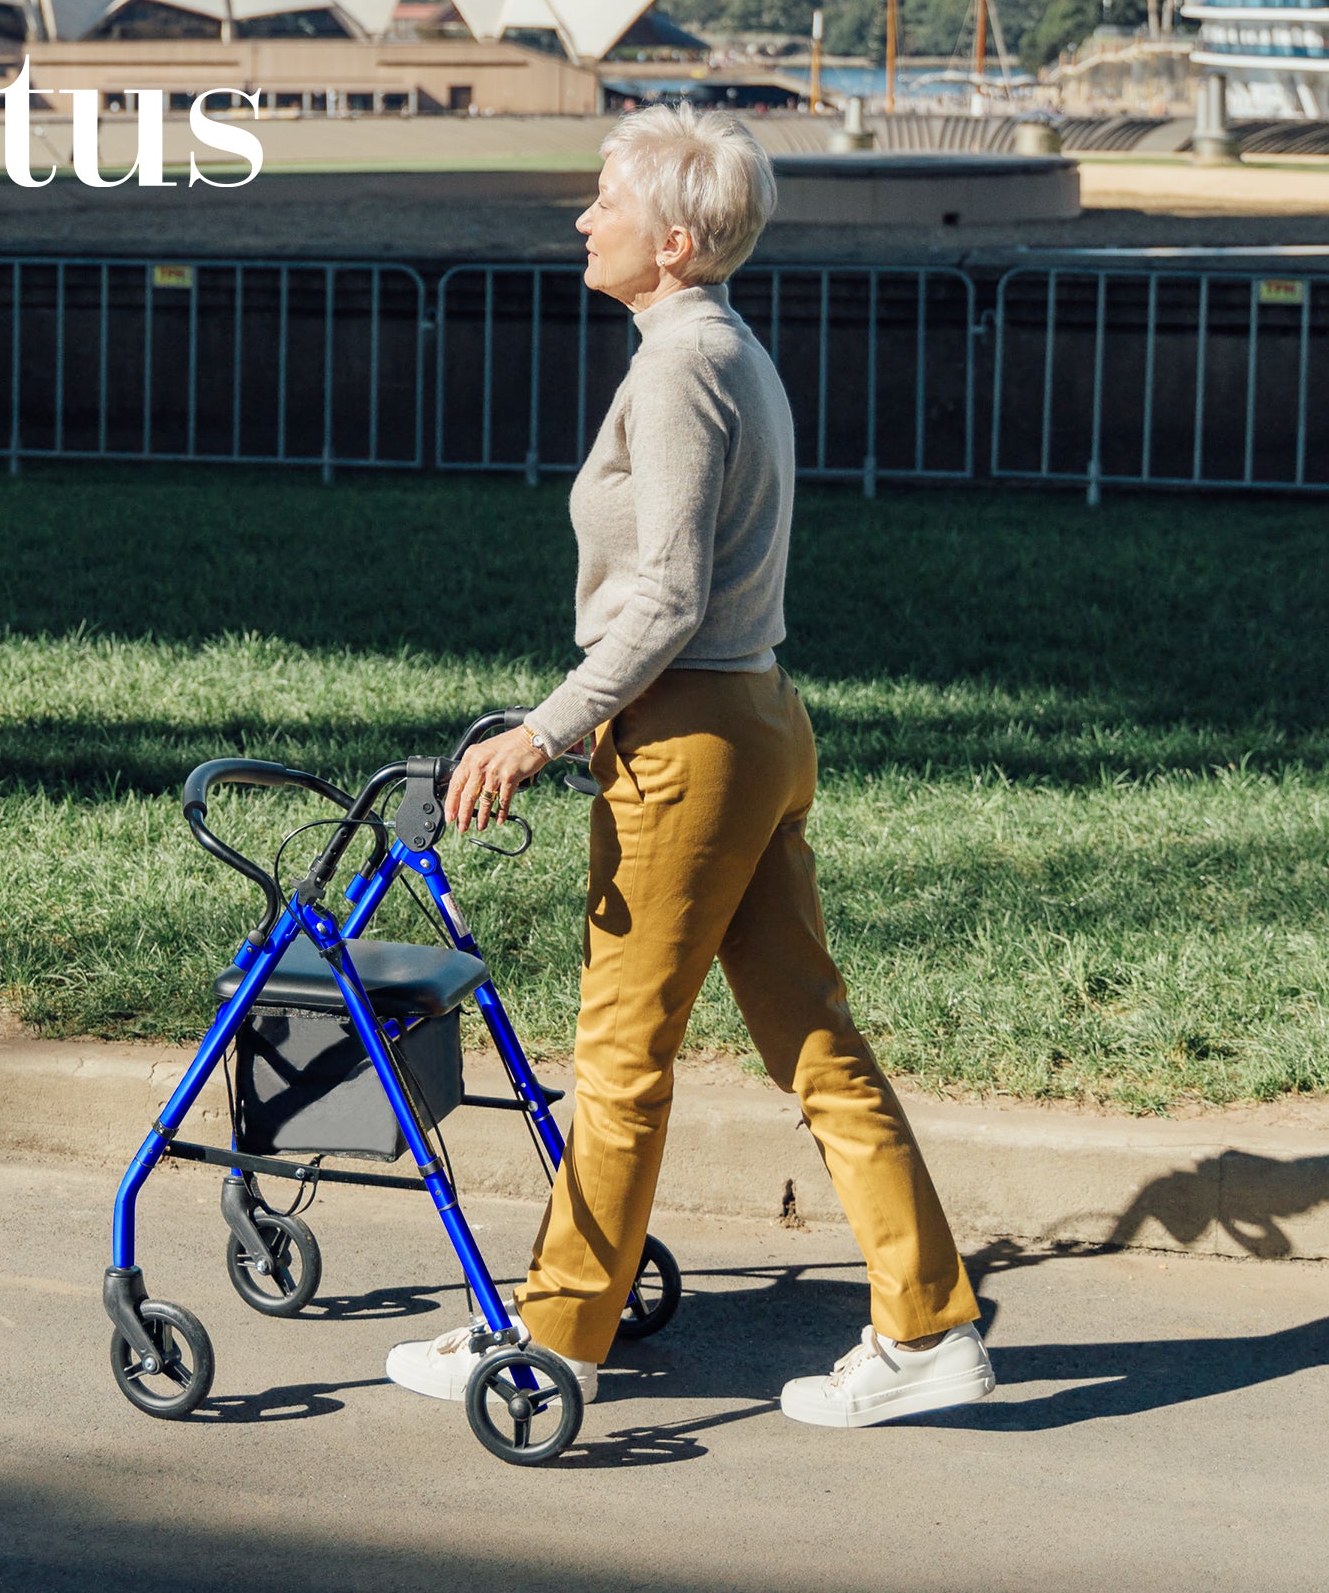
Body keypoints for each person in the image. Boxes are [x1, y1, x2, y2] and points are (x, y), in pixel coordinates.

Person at [386, 103, 995, 1429]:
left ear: (668, 240)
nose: (582, 218)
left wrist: (539, 732)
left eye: (603, 200)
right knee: (815, 1041)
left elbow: (662, 598)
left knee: (618, 1056)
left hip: (688, 744)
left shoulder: (678, 367)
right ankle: (930, 1326)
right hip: (755, 723)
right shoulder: (723, 346)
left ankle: (548, 1340)